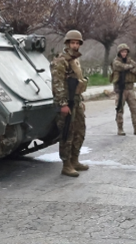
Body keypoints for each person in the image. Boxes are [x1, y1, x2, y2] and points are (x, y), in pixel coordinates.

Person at [50, 30, 90, 177]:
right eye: (72, 42)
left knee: (80, 131)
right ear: (67, 44)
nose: (75, 45)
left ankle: (75, 160)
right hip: (66, 102)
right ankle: (66, 165)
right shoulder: (61, 61)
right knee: (67, 133)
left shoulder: (75, 60)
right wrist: (63, 104)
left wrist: (80, 101)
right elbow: (58, 84)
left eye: (77, 43)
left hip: (76, 101)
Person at [110, 43, 136, 136]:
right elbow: (121, 67)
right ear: (119, 52)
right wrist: (130, 67)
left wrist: (130, 68)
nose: (124, 53)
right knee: (119, 109)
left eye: (125, 52)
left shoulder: (130, 61)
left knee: (134, 109)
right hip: (120, 90)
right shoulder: (116, 61)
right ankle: (120, 128)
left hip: (130, 88)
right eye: (122, 52)